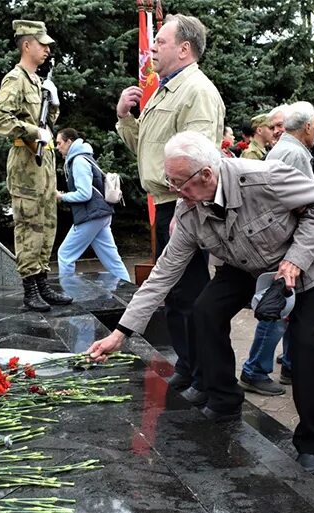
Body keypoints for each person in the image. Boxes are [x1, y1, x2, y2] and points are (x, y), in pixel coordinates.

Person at [87, 131, 314, 475]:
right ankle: (224, 399)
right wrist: (121, 333)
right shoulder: (189, 210)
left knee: (307, 347)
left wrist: (295, 260)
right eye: (170, 183)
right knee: (204, 312)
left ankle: (311, 443)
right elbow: (162, 276)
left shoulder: (264, 178)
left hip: (301, 268)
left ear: (206, 174)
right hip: (241, 266)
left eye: (180, 183)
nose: (176, 193)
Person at [115, 13, 225, 402]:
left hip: (182, 204)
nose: (152, 48)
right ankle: (188, 368)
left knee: (190, 294)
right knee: (177, 295)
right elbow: (145, 149)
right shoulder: (165, 89)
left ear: (184, 48)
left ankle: (204, 377)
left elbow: (198, 159)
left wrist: (186, 206)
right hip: (165, 203)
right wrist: (125, 118)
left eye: (159, 42)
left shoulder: (197, 91)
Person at [0, 19, 74, 312]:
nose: (48, 49)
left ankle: (42, 283)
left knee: (47, 223)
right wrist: (32, 131)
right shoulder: (15, 79)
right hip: (26, 162)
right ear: (27, 44)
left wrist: (53, 104)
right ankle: (29, 288)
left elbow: (47, 126)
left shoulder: (37, 81)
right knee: (29, 224)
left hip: (44, 162)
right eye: (42, 43)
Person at [239, 101, 314, 396]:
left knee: (284, 308)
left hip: (282, 241)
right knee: (278, 309)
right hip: (287, 245)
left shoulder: (284, 149)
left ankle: (285, 364)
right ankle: (255, 370)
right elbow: (307, 203)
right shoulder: (294, 152)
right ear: (308, 125)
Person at [53, 128, 131, 282]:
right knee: (112, 260)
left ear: (69, 142)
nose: (57, 147)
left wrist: (62, 196)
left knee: (65, 254)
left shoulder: (78, 161)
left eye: (59, 143)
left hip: (91, 215)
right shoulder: (85, 157)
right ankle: (131, 294)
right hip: (101, 214)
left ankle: (68, 293)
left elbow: (84, 194)